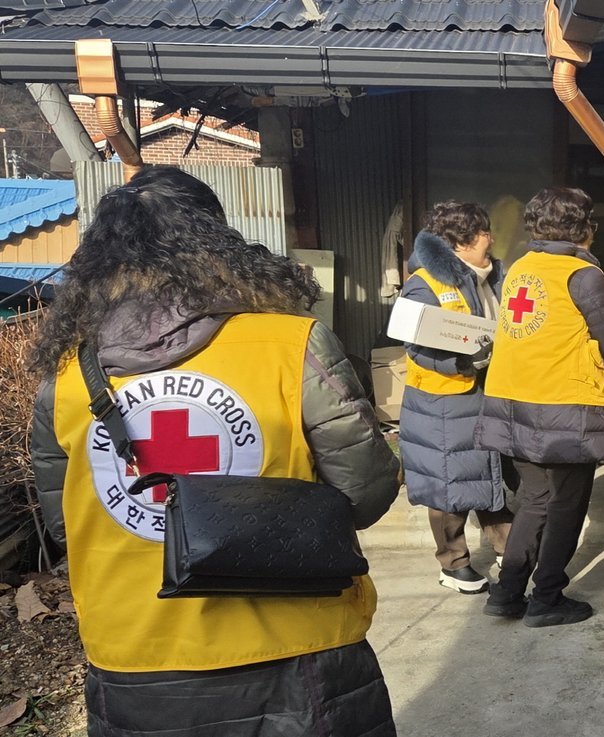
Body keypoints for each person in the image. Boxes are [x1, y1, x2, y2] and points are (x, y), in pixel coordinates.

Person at [28, 166, 400, 737]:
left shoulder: (66, 377)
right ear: (220, 240)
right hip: (297, 648)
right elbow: (364, 492)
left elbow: (66, 522)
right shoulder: (290, 344)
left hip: (134, 654)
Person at [475, 187, 604, 628]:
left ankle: (507, 592)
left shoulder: (521, 268)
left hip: (514, 400)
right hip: (565, 404)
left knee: (534, 500)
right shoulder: (583, 275)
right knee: (567, 506)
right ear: (583, 228)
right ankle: (547, 598)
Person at [398, 200, 514, 594]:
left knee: (488, 474)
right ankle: (453, 563)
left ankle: (508, 550)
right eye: (483, 233)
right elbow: (416, 346)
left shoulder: (493, 277)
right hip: (443, 401)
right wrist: (463, 361)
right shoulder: (425, 283)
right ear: (460, 242)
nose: (490, 240)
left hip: (486, 393)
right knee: (448, 485)